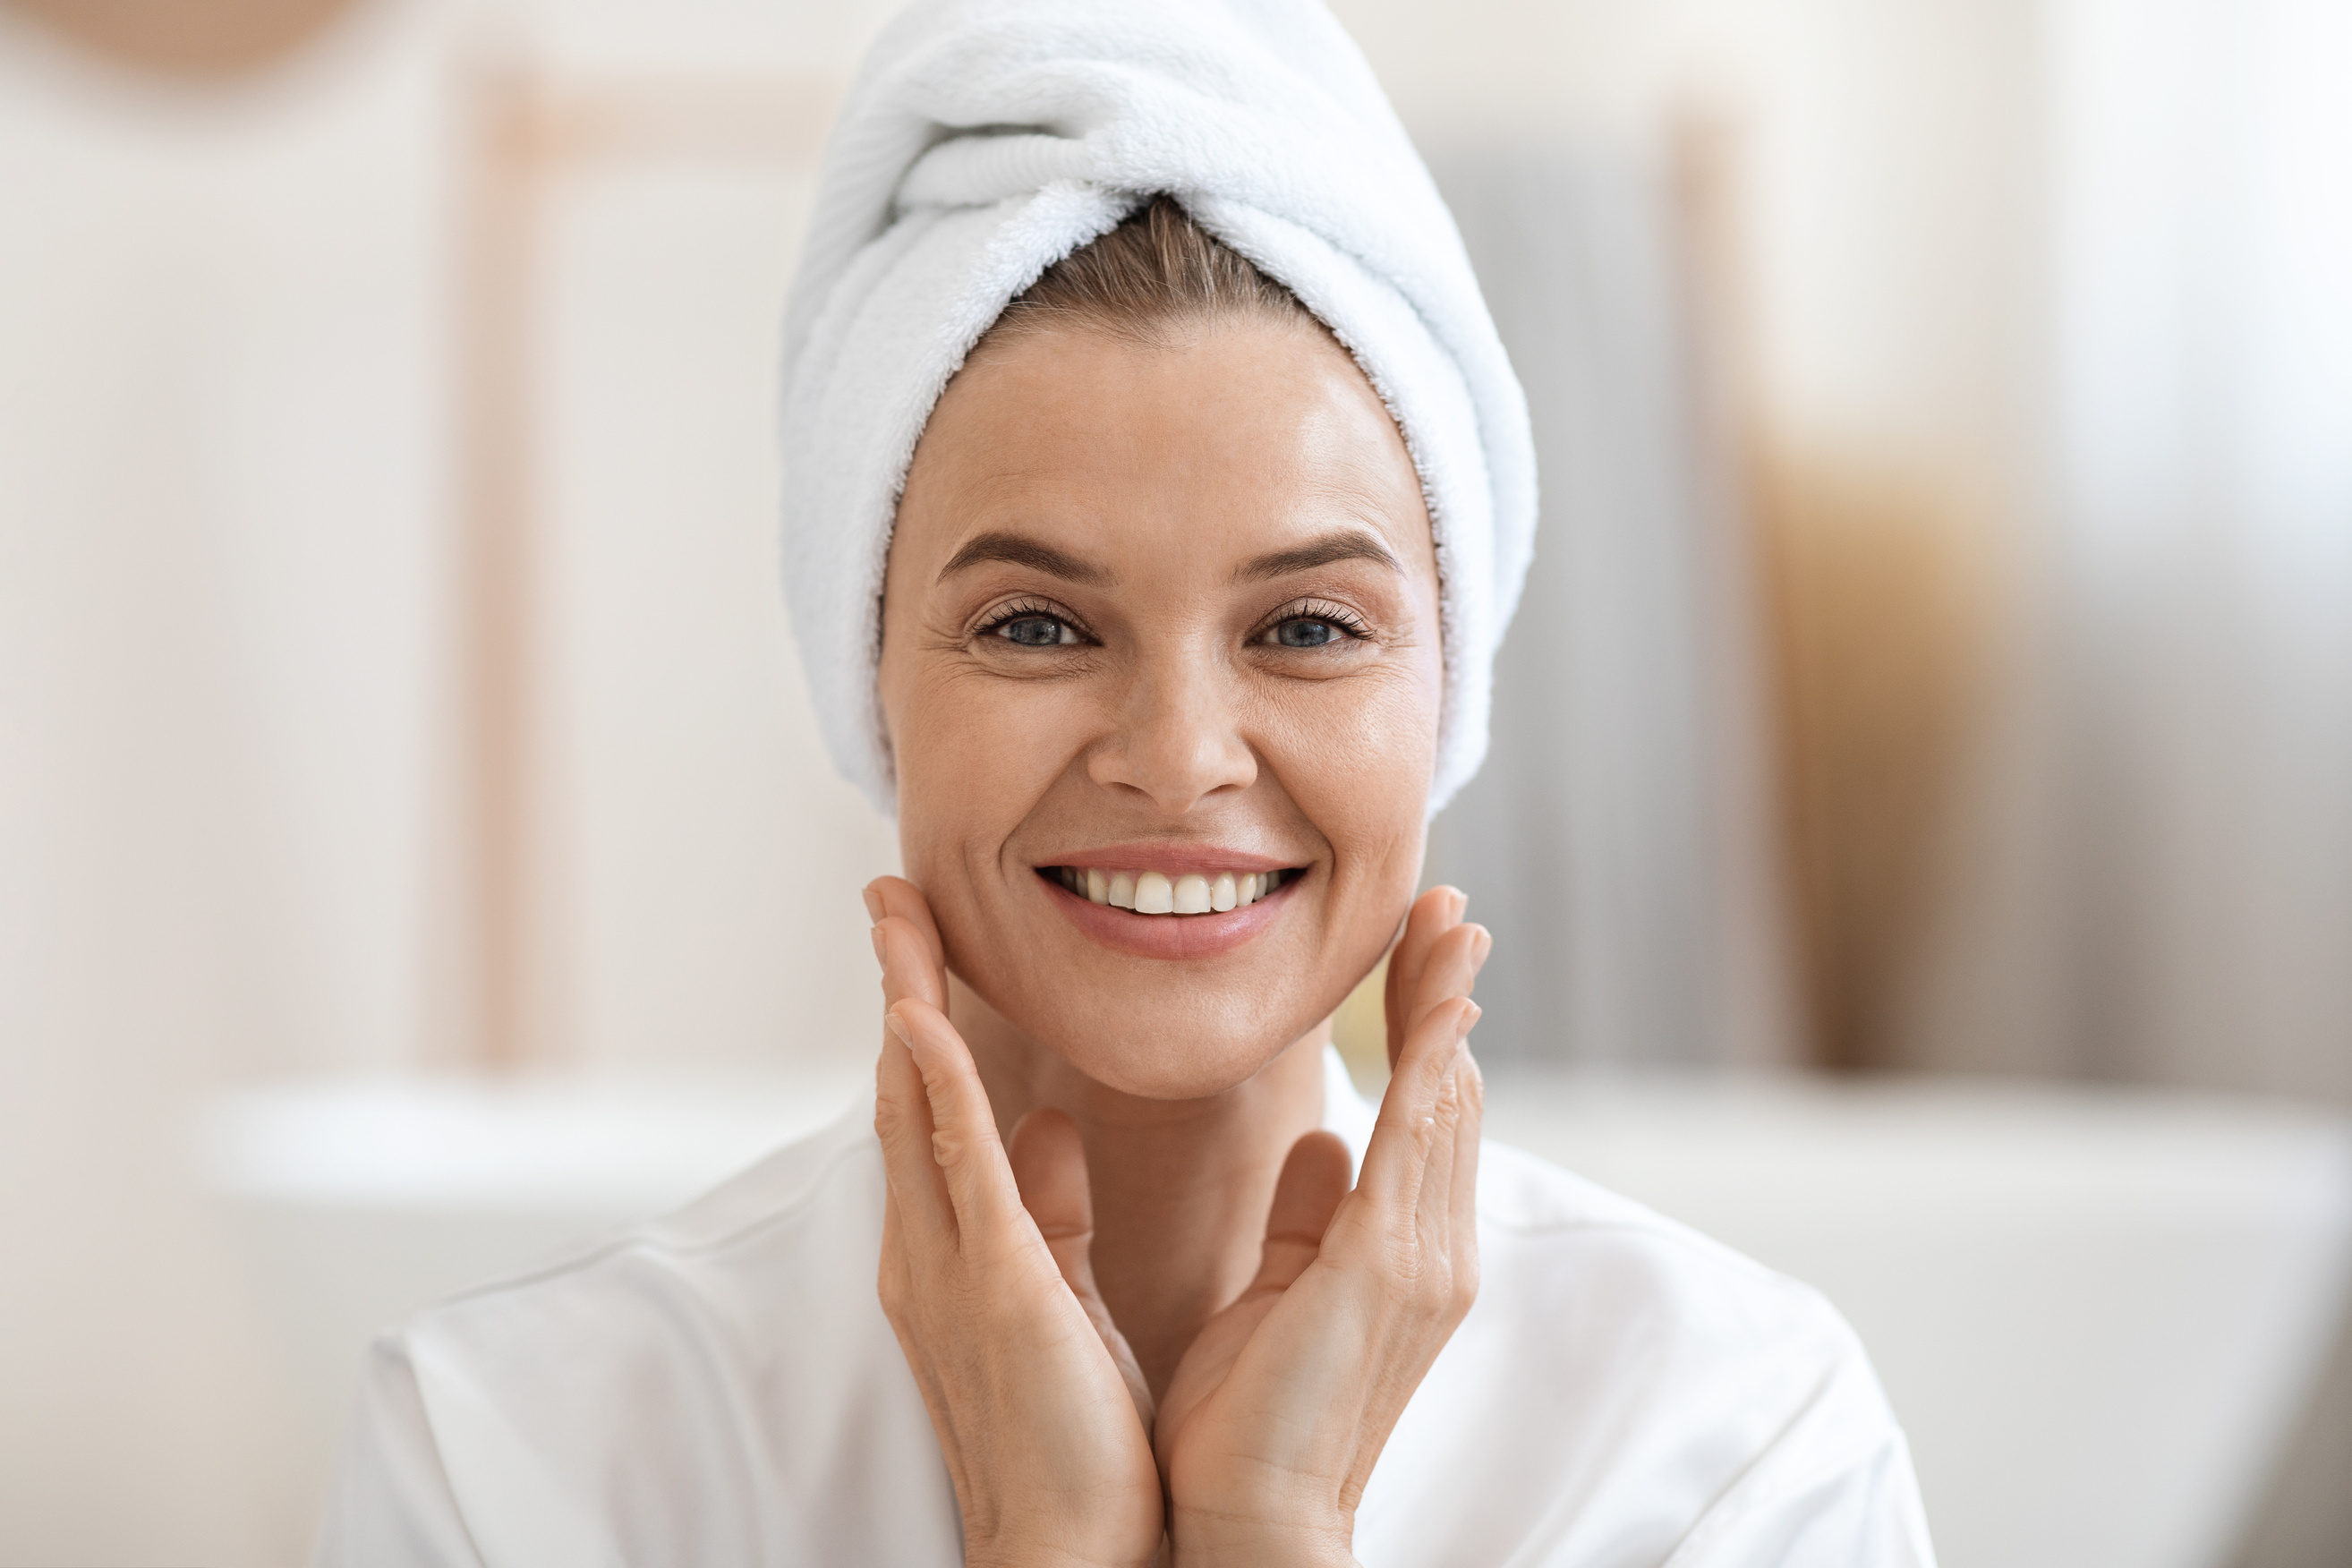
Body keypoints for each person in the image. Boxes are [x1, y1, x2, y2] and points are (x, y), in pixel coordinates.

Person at [316, 2, 1936, 1564]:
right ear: (865, 672)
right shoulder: (509, 1466)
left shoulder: (1730, 1454)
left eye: (1306, 626)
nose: (1177, 756)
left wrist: (1270, 1534)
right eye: (1033, 624)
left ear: (1451, 687)